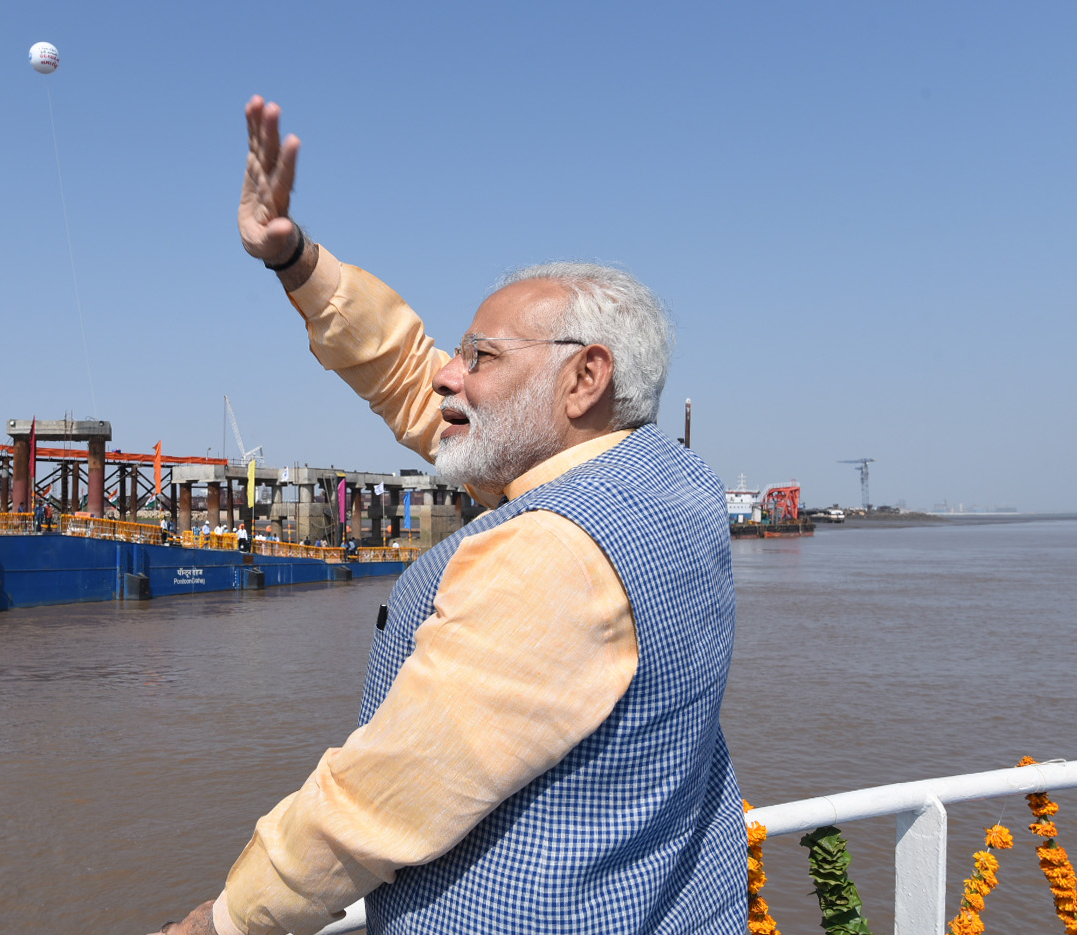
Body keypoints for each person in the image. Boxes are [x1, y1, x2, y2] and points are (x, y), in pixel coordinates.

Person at [154, 97, 743, 935]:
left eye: (480, 356)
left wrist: (222, 923)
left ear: (584, 378)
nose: (447, 375)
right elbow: (406, 372)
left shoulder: (554, 552)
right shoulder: (671, 482)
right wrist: (295, 259)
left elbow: (383, 794)